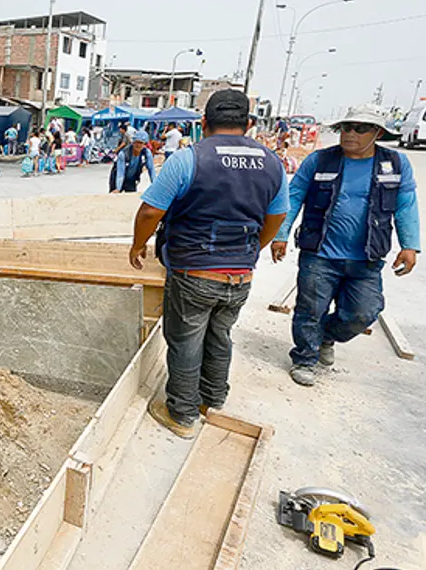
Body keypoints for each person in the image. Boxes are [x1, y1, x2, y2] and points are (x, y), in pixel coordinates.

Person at [128, 90, 288, 439]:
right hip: (240, 275)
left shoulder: (189, 159)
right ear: (248, 124)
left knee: (186, 340)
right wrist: (251, 250)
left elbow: (151, 211)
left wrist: (138, 245)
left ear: (203, 124)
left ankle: (182, 415)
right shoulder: (273, 163)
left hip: (194, 271)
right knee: (220, 335)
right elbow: (277, 216)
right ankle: (211, 401)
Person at [271, 104, 420, 386]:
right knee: (310, 309)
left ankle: (325, 336)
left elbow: (406, 206)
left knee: (364, 313)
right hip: (320, 254)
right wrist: (280, 234)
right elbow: (294, 197)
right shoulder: (319, 161)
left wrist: (410, 244)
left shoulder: (396, 165)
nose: (350, 133)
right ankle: (305, 357)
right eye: (346, 127)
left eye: (360, 128)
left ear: (376, 132)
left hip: (366, 258)